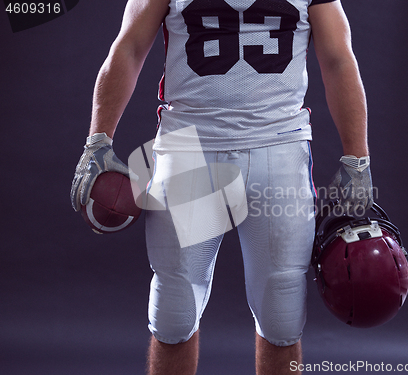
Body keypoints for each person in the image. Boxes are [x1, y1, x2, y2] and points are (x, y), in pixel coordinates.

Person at [70, 0, 373, 373]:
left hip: (277, 147)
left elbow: (339, 58)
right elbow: (130, 46)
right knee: (175, 314)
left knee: (282, 317)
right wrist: (97, 140)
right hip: (192, 149)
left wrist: (357, 156)